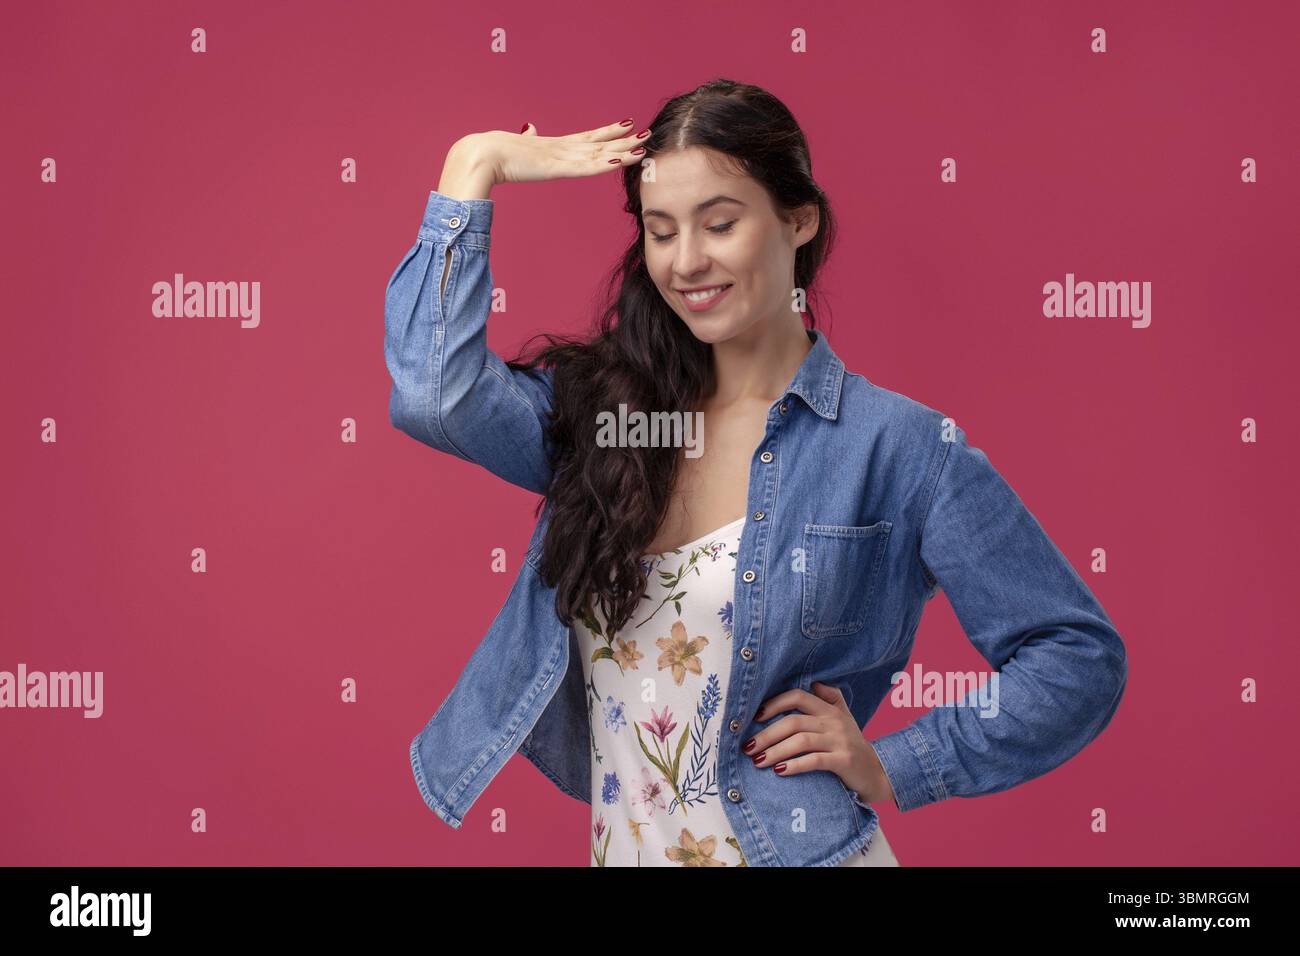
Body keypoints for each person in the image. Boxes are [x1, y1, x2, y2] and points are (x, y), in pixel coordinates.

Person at [385, 78, 1127, 867]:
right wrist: (477, 163)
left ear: (798, 219)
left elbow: (1076, 657)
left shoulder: (899, 447)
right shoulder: (610, 421)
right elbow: (437, 395)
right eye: (661, 232)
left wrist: (896, 766)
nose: (687, 261)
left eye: (721, 223)